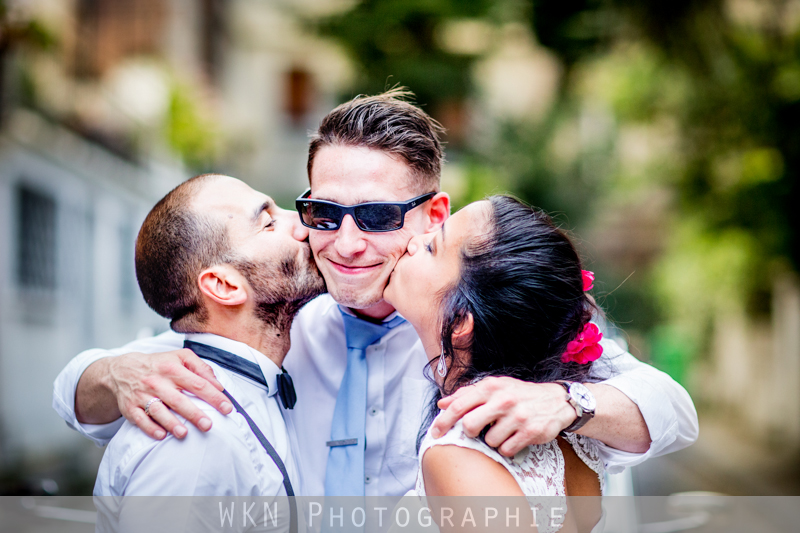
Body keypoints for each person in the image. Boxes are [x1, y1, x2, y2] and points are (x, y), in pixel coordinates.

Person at [53, 89, 698, 498]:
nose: (346, 243)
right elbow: (76, 389)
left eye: (380, 217)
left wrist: (565, 402)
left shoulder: (495, 322)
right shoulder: (272, 318)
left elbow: (672, 409)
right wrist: (112, 373)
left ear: (433, 216)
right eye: (324, 213)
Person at [92, 174, 324, 530]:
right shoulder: (192, 442)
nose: (303, 222)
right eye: (269, 222)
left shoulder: (250, 388)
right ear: (224, 285)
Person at [384, 196, 609, 532]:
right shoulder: (572, 436)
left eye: (432, 247)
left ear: (459, 322)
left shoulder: (458, 455)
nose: (414, 242)